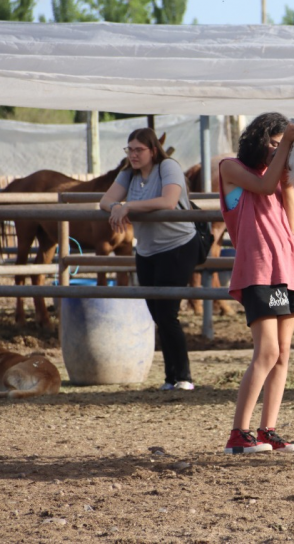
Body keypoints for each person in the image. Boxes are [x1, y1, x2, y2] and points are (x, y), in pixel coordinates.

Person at [218, 112, 294, 454]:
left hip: (290, 267)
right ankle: (238, 434)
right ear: (259, 139)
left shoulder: (277, 179)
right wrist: (288, 144)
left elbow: (292, 225)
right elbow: (260, 186)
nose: (278, 150)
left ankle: (267, 430)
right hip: (258, 270)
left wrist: (289, 182)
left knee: (284, 354)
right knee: (267, 351)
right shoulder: (231, 168)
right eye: (274, 143)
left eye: (282, 144)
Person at [100, 128, 200, 392]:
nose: (133, 155)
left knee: (167, 313)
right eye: (129, 149)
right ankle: (171, 377)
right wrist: (117, 206)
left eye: (138, 150)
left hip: (177, 246)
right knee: (157, 313)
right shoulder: (127, 174)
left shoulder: (168, 167)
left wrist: (128, 206)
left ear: (153, 150)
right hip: (146, 250)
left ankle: (183, 376)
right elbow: (105, 201)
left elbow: (169, 201)